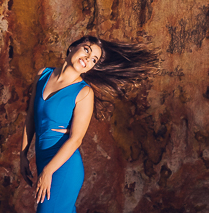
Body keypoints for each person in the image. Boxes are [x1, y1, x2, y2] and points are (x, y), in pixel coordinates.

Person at [21, 35, 158, 212]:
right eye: (87, 50)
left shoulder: (84, 92)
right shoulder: (43, 75)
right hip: (43, 160)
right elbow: (31, 116)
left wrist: (48, 171)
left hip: (63, 167)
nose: (87, 58)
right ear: (72, 47)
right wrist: (22, 155)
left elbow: (76, 140)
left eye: (94, 59)